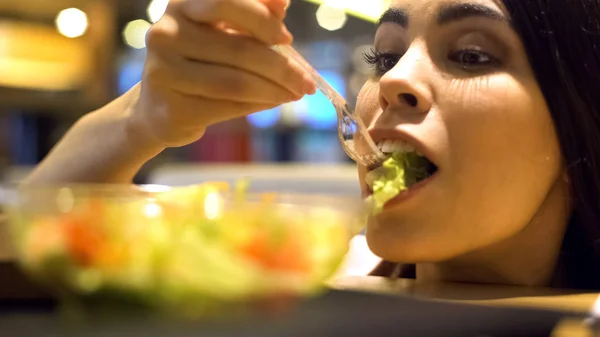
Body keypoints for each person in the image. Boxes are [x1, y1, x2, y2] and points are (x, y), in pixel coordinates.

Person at [21, 0, 600, 290]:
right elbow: (33, 262)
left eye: (472, 55)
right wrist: (140, 118)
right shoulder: (304, 283)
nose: (393, 81)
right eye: (386, 56)